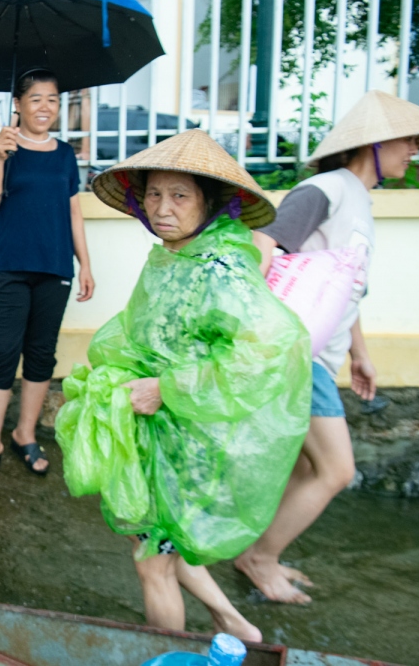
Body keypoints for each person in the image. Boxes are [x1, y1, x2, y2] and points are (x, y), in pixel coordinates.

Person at [58, 130, 312, 641]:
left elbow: (271, 345)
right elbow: (142, 329)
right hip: (167, 436)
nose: (161, 208)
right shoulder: (175, 255)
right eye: (153, 194)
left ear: (210, 203)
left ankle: (169, 650)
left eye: (179, 196)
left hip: (194, 440)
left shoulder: (221, 268)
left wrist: (168, 388)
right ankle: (235, 622)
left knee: (153, 563)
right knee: (169, 542)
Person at [235, 90, 419, 604]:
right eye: (407, 140)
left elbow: (345, 288)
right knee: (337, 470)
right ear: (373, 144)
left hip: (321, 360)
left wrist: (360, 354)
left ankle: (259, 551)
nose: (415, 151)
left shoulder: (359, 201)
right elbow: (264, 246)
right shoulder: (325, 190)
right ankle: (259, 559)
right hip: (296, 358)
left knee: (310, 469)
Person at [0, 68, 95, 483]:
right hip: (8, 267)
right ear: (17, 104)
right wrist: (0, 156)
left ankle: (25, 432)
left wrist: (85, 263)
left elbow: (73, 210)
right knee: (2, 354)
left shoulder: (64, 154)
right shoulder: (0, 147)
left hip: (55, 268)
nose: (45, 106)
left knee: (41, 356)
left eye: (52, 99)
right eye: (35, 98)